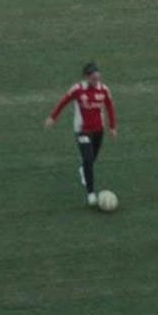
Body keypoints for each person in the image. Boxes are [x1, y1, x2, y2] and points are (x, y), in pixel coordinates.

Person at [44, 62, 118, 207]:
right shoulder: (78, 89)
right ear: (86, 77)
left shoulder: (104, 90)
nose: (96, 80)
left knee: (92, 159)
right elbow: (64, 101)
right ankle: (91, 193)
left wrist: (113, 127)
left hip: (98, 130)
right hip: (82, 130)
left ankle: (83, 169)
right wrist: (53, 117)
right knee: (88, 159)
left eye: (98, 77)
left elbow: (110, 106)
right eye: (93, 78)